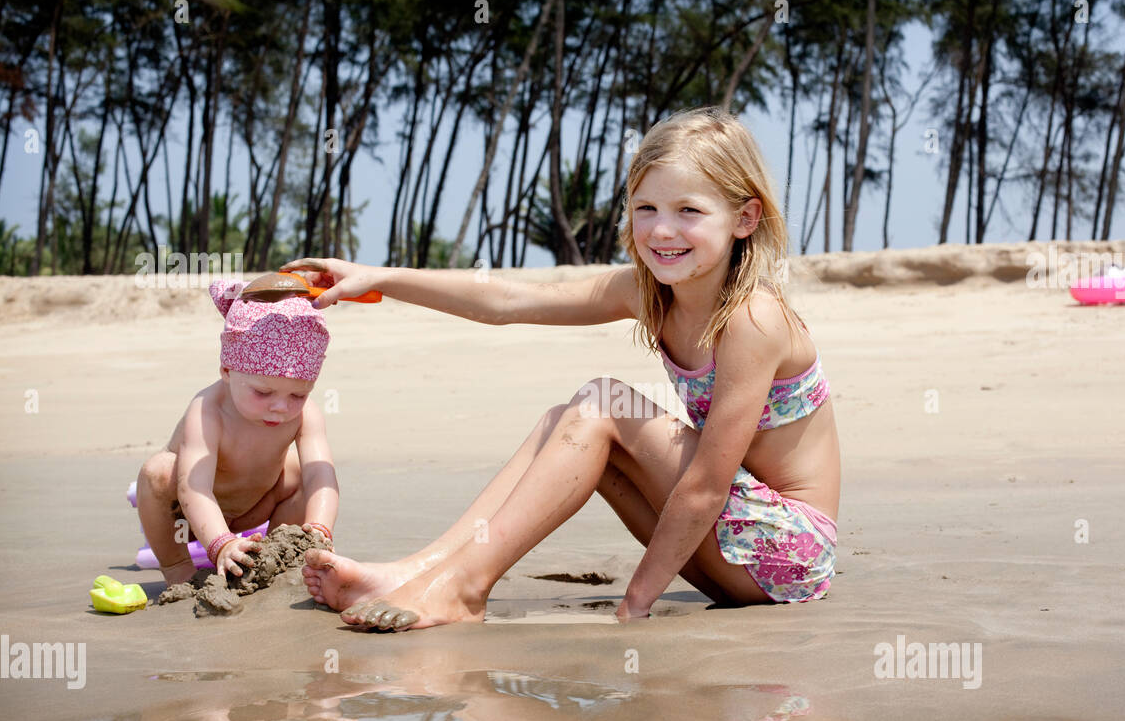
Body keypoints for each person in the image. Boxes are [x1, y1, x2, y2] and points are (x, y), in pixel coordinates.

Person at [295, 105, 840, 630]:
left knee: (603, 402)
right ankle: (418, 572)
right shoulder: (648, 292)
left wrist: (636, 603)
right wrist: (379, 277)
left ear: (744, 218)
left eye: (689, 211)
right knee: (568, 421)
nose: (662, 231)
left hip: (788, 557)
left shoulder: (753, 318)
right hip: (727, 553)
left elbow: (704, 486)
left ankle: (463, 590)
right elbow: (509, 302)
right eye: (646, 208)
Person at [135, 280, 340, 585]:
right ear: (227, 371)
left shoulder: (305, 414)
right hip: (187, 514)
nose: (280, 408)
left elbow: (321, 477)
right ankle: (178, 569)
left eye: (298, 395)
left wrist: (319, 530)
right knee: (158, 471)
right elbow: (194, 487)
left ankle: (277, 555)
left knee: (300, 472)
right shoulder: (207, 409)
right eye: (263, 392)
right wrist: (221, 543)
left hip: (254, 506)